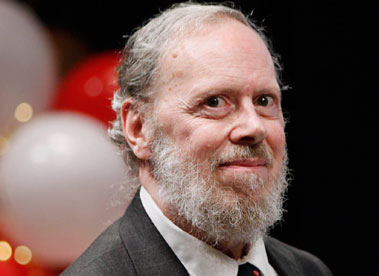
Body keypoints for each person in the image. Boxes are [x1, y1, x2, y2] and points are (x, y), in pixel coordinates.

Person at [62, 2, 332, 276]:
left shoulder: (309, 270)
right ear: (139, 128)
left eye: (264, 100)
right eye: (214, 102)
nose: (254, 127)